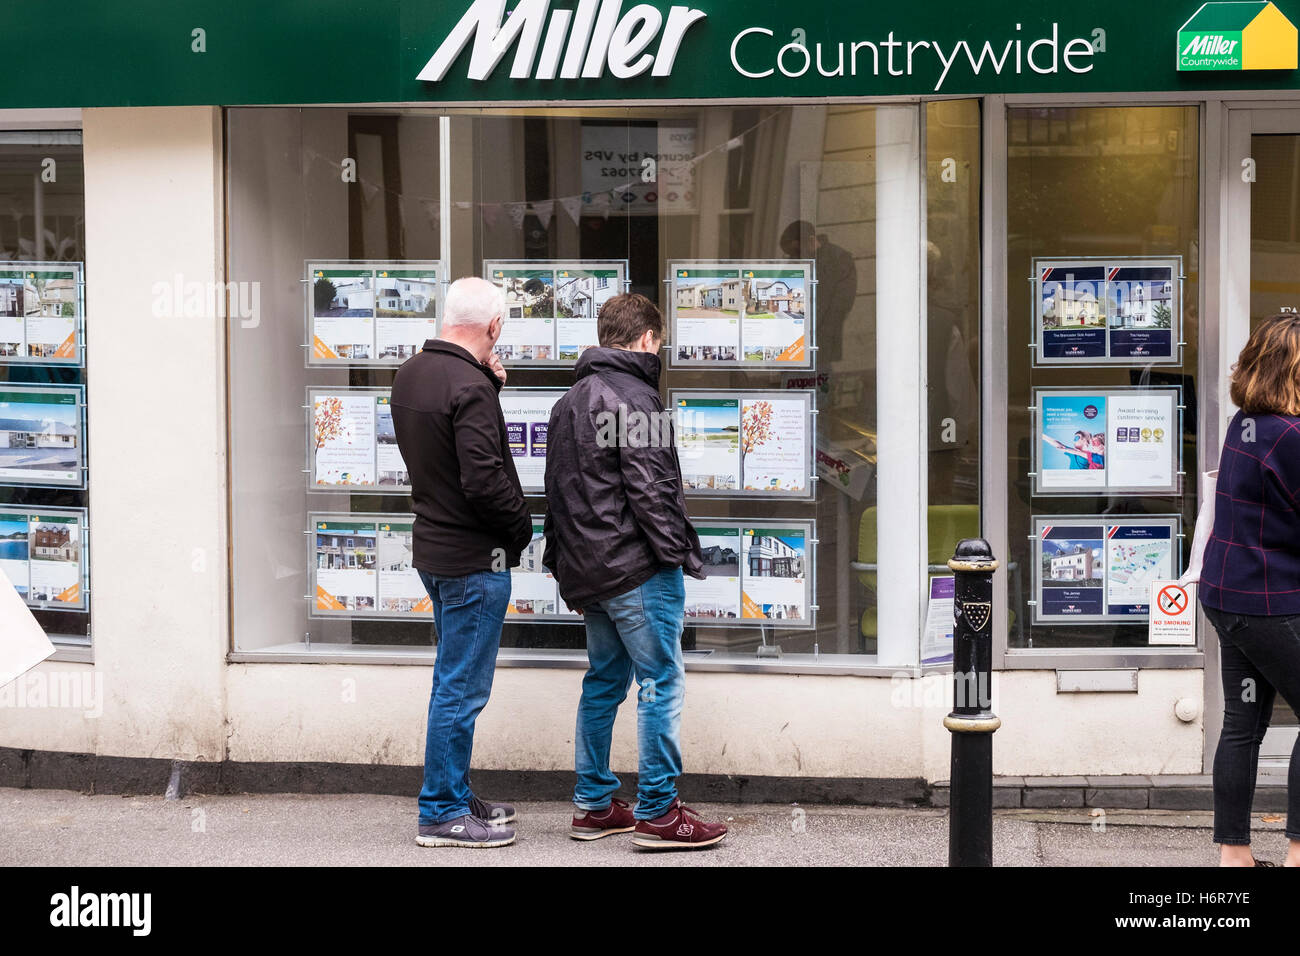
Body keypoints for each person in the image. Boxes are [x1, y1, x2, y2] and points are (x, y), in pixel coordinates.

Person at [543, 293, 728, 850]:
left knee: (604, 683)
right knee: (661, 682)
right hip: (637, 570)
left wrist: (564, 570)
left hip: (591, 574)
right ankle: (658, 813)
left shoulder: (568, 402)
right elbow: (652, 493)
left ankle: (594, 805)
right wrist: (680, 555)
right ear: (647, 338)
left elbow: (557, 498)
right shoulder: (637, 399)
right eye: (661, 343)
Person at [390, 276, 532, 849]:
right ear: (494, 327)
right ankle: (442, 812)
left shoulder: (414, 372)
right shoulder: (469, 386)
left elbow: (447, 460)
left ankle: (452, 790)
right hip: (474, 560)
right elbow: (482, 477)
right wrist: (520, 529)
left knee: (451, 683)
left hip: (435, 550)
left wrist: (485, 383)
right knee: (462, 689)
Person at [1197, 312, 1300, 868]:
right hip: (1271, 602)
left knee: (1242, 723)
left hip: (1226, 597)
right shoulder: (1292, 437)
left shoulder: (1247, 423)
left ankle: (1234, 858)